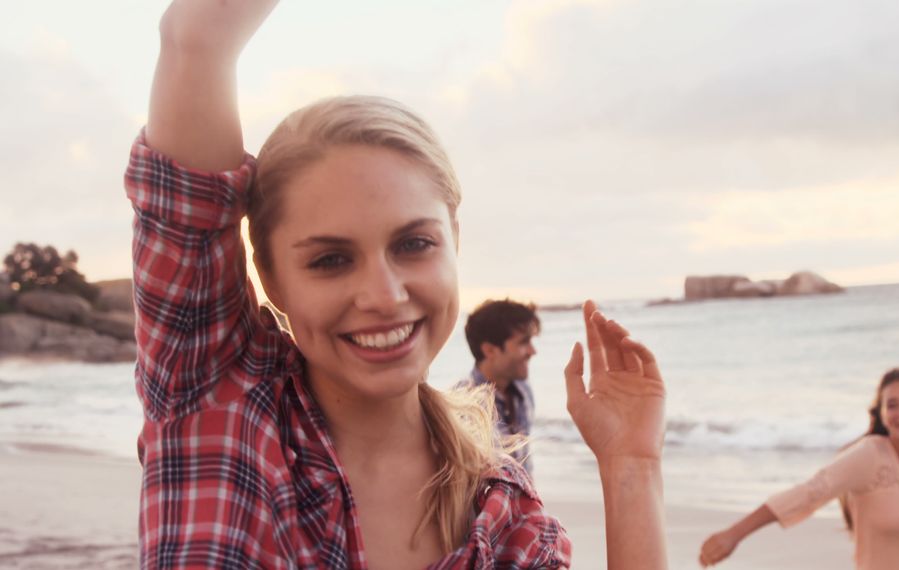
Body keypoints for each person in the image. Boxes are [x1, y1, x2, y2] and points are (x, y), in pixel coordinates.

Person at [127, 1, 667, 568]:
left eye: (412, 244)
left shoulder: (502, 517)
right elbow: (195, 40)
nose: (384, 295)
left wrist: (632, 466)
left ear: (454, 240)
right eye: (331, 260)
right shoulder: (215, 386)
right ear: (270, 277)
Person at [698, 368, 899, 569]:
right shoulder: (870, 455)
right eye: (892, 405)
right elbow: (809, 493)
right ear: (882, 415)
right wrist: (734, 534)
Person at [459, 299, 539, 473]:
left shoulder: (522, 389)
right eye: (524, 342)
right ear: (490, 350)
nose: (533, 351)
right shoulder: (464, 406)